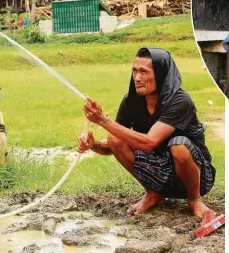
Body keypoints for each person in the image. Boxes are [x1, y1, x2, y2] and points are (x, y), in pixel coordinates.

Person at [78, 47, 217, 224]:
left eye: (144, 72)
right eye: (135, 71)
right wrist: (93, 145)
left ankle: (194, 200)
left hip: (199, 177)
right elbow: (117, 144)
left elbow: (150, 142)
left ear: (160, 75)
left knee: (178, 145)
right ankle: (153, 194)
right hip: (158, 174)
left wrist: (103, 121)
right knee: (114, 137)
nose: (137, 78)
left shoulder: (180, 101)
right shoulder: (131, 102)